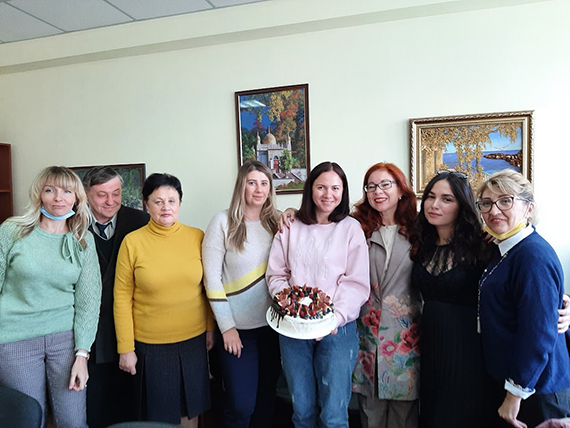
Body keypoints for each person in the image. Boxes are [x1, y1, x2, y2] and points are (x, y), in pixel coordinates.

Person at [266, 161, 370, 428]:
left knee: (334, 415)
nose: (328, 194)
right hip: (293, 328)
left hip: (337, 329)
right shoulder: (291, 225)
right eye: (321, 187)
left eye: (335, 188)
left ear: (343, 191)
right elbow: (276, 274)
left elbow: (356, 282)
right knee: (301, 410)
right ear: (310, 189)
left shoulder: (350, 228)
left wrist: (333, 318)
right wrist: (290, 305)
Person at [0, 166, 102, 428]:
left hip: (65, 342)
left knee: (73, 421)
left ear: (76, 197)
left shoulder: (83, 240)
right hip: (15, 339)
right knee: (27, 419)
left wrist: (82, 355)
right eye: (50, 190)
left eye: (67, 191)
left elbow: (89, 302)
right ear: (39, 195)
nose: (59, 198)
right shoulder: (12, 231)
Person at [114, 173, 214, 428]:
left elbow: (208, 287)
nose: (166, 207)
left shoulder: (197, 237)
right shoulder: (132, 242)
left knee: (190, 412)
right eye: (158, 201)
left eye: (172, 200)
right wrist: (126, 348)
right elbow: (121, 298)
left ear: (180, 203)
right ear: (146, 204)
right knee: (158, 418)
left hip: (193, 341)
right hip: (150, 346)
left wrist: (210, 328)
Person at [476, 170, 570, 428]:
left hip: (537, 389)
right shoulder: (505, 248)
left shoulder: (532, 256)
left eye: (505, 201)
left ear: (529, 208)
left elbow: (537, 333)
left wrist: (515, 393)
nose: (494, 210)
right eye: (487, 203)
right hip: (517, 382)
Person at [410, 170, 494, 428]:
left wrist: (563, 300)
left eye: (446, 199)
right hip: (430, 345)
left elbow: (519, 277)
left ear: (462, 206)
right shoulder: (421, 243)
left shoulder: (484, 245)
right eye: (430, 197)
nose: (434, 205)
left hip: (468, 348)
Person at [202, 160, 281, 428]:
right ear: (241, 187)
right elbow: (211, 279)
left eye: (264, 183)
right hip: (237, 331)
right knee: (240, 404)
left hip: (272, 327)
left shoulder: (276, 222)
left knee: (266, 399)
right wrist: (227, 328)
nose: (259, 189)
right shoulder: (222, 222)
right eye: (252, 183)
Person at [351, 162, 421, 428]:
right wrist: (288, 212)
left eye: (385, 184)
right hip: (366, 333)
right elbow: (318, 222)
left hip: (406, 336)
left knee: (405, 415)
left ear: (401, 190)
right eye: (371, 186)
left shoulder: (420, 229)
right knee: (370, 412)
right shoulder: (357, 228)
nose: (377, 191)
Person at [82, 166, 149, 428]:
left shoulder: (140, 221)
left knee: (131, 401)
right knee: (95, 402)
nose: (111, 201)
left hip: (131, 326)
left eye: (116, 193)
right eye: (102, 195)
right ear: (86, 194)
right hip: (88, 330)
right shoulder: (70, 223)